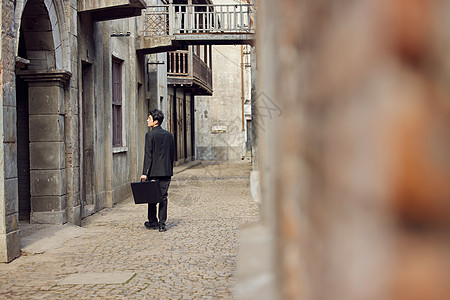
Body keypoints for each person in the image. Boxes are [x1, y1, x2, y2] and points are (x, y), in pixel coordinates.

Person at [140, 109, 175, 232]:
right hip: (166, 171)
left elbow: (148, 155)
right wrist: (169, 169)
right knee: (163, 197)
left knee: (152, 197)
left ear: (155, 121)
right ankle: (162, 224)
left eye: (149, 118)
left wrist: (145, 172)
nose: (147, 120)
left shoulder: (150, 135)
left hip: (153, 171)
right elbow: (172, 155)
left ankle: (153, 222)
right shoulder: (169, 135)